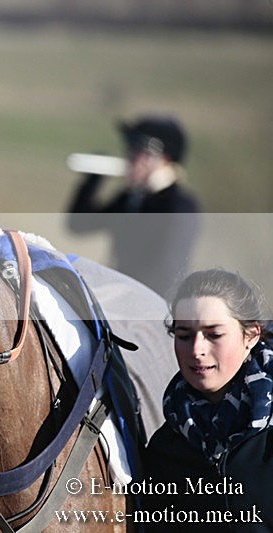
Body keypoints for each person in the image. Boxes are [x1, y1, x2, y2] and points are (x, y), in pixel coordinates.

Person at [142, 269, 273, 530]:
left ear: (251, 335)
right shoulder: (164, 449)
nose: (197, 350)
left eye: (214, 335)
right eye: (184, 335)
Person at [67, 115, 201, 296]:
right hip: (119, 300)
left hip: (154, 308)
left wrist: (117, 293)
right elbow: (79, 225)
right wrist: (92, 182)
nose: (130, 157)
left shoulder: (179, 206)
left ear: (164, 159)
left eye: (140, 151)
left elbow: (166, 271)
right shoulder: (130, 199)